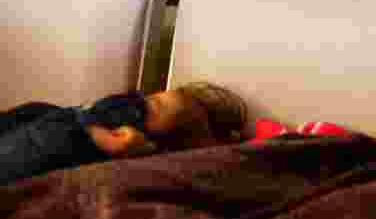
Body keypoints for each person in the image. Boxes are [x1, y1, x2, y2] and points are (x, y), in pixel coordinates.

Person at [0, 82, 246, 187]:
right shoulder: (49, 116)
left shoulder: (141, 155)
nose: (140, 101)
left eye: (153, 104)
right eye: (151, 99)